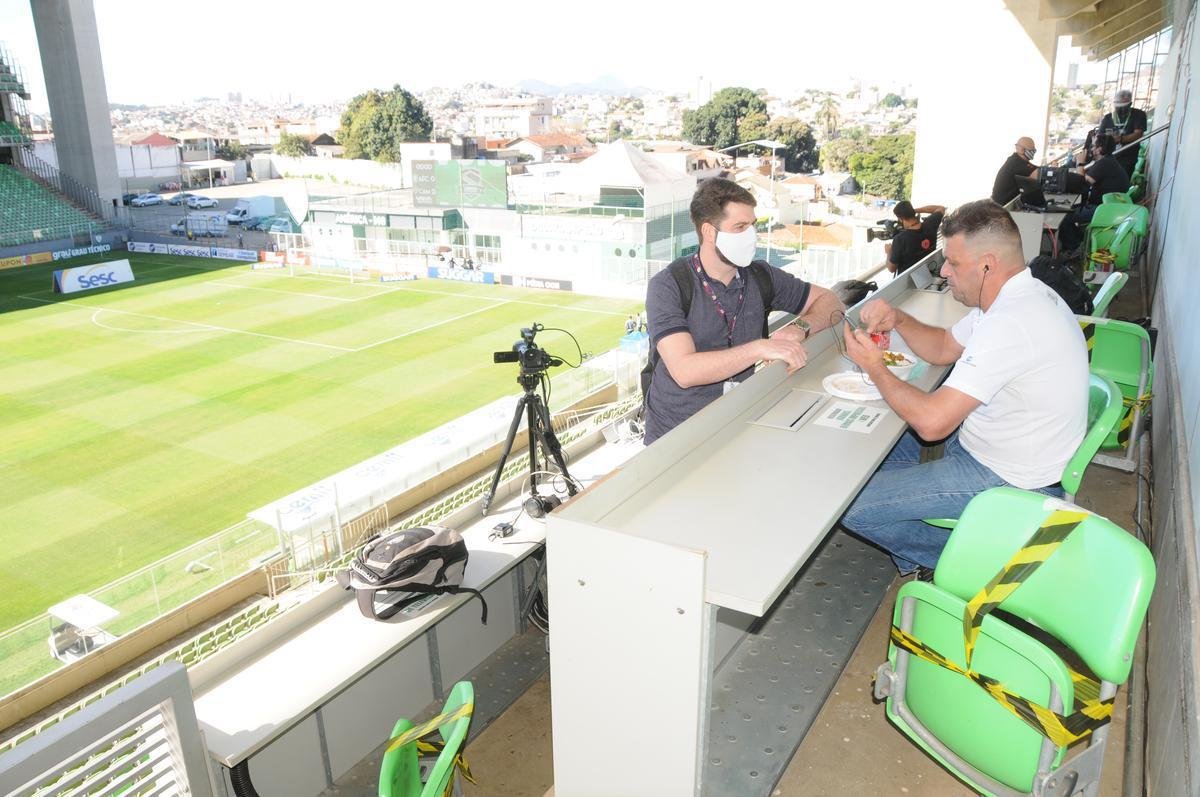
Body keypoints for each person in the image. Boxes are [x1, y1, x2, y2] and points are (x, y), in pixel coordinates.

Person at [838, 198, 1088, 575]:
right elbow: (942, 348)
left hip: (1011, 479)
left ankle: (969, 567)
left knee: (848, 504)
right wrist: (899, 318)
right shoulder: (1017, 299)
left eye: (953, 263)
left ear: (987, 264)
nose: (944, 271)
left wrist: (875, 368)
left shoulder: (1012, 323)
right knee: (871, 449)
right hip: (995, 446)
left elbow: (934, 423)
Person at [644, 178, 843, 445]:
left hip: (739, 422)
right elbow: (685, 370)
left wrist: (799, 329)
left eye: (753, 226)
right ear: (709, 232)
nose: (751, 235)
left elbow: (832, 303)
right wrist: (760, 348)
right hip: (676, 436)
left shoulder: (761, 276)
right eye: (740, 227)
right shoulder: (669, 285)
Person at [1058, 132, 1130, 252]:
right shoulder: (1107, 161)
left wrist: (1080, 163)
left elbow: (1080, 183)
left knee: (1064, 217)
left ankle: (1074, 249)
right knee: (1070, 213)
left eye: (1092, 147)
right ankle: (1079, 242)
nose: (1090, 149)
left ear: (1099, 149)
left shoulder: (1104, 163)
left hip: (1102, 210)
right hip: (1107, 207)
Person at [885, 201, 947, 273]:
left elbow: (891, 269)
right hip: (930, 272)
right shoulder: (931, 224)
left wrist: (889, 252)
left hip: (907, 282)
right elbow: (941, 208)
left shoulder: (900, 239)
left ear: (900, 219)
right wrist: (913, 211)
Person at [1097, 89, 1147, 177]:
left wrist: (1120, 139)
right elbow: (1099, 136)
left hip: (1128, 157)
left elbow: (1138, 134)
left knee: (1121, 179)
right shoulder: (1108, 118)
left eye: (1123, 106)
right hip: (1109, 156)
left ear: (1130, 104)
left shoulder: (1139, 115)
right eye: (1117, 106)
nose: (1120, 109)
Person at [990, 137, 1040, 205]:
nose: (1033, 151)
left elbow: (1032, 167)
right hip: (1002, 206)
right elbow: (1038, 174)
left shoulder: (1016, 159)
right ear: (1022, 150)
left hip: (1001, 203)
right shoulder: (1016, 163)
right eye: (1031, 149)